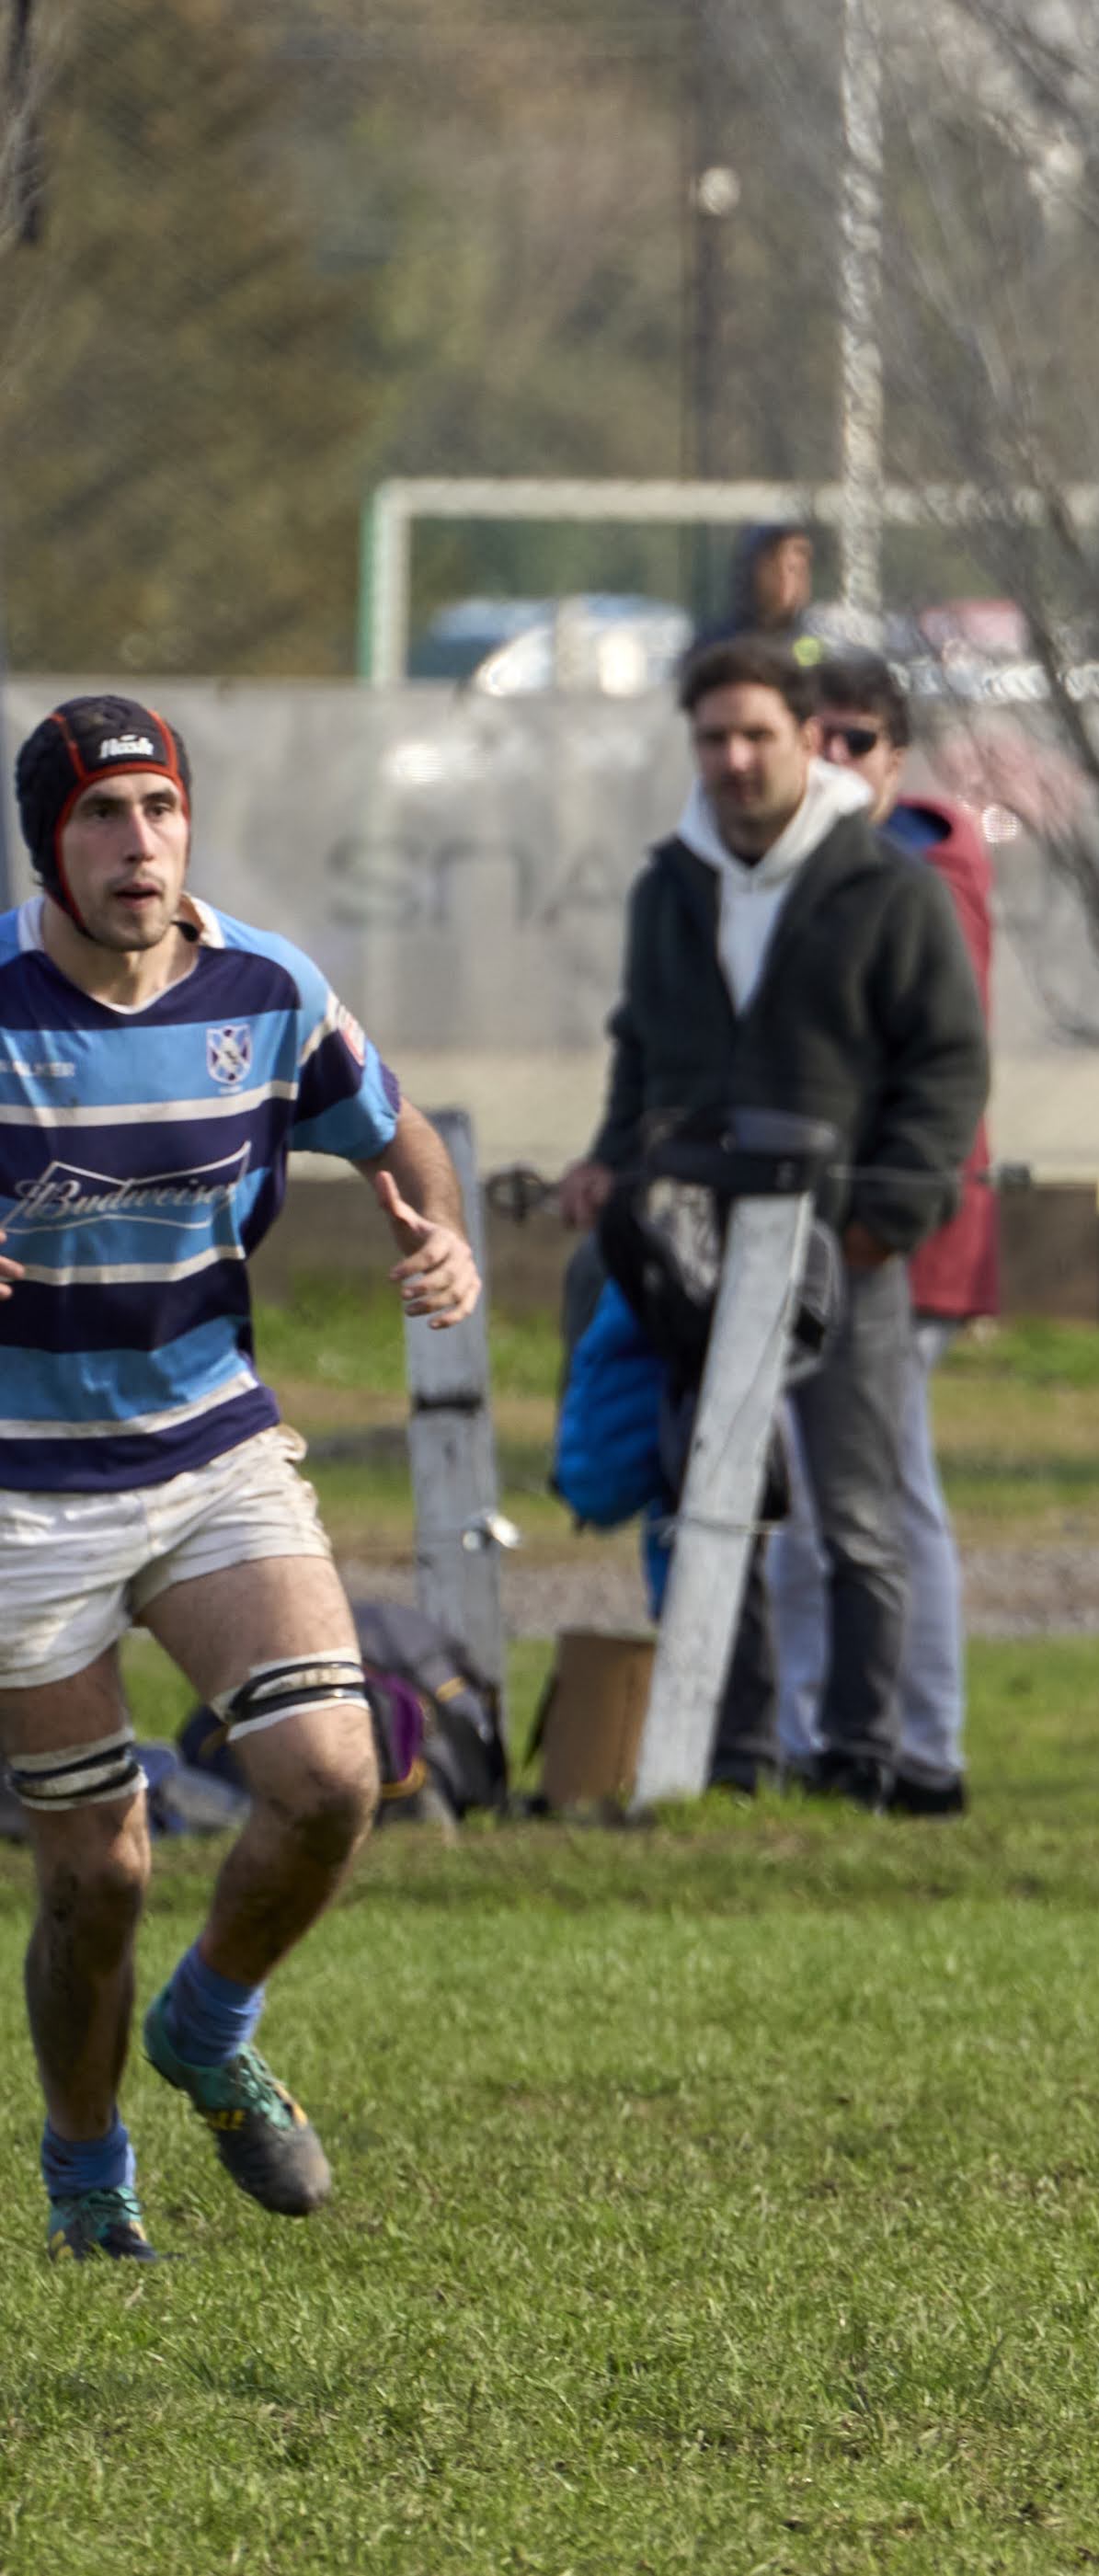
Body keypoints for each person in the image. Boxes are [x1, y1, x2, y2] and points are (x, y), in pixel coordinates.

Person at [0, 696, 482, 2261]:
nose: (136, 845)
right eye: (97, 817)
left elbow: (401, 1137)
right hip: (22, 1489)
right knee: (99, 1870)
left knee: (334, 1778)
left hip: (210, 1449)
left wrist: (442, 1233)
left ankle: (208, 2030)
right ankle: (87, 2177)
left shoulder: (267, 990)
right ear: (46, 844)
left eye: (158, 809)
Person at [553, 637, 988, 1805]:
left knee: (855, 1511)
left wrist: (887, 1215)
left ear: (805, 738)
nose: (735, 760)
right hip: (689, 1244)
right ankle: (732, 1753)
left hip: (844, 1244)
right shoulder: (669, 884)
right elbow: (641, 1048)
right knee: (708, 1497)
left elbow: (946, 1067)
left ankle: (862, 1755)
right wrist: (611, 1161)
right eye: (713, 738)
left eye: (758, 735)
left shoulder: (886, 888)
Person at [765, 654, 996, 1817]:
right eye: (813, 736)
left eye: (856, 740)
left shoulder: (920, 868)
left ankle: (919, 1745)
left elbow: (934, 1069)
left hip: (898, 1235)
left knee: (881, 1493)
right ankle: (816, 1732)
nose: (831, 760)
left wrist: (889, 1215)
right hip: (821, 1231)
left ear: (897, 760)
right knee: (815, 1494)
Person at [693, 521, 829, 666]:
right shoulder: (718, 647)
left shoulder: (817, 643)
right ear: (750, 570)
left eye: (796, 568)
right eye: (775, 567)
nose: (786, 579)